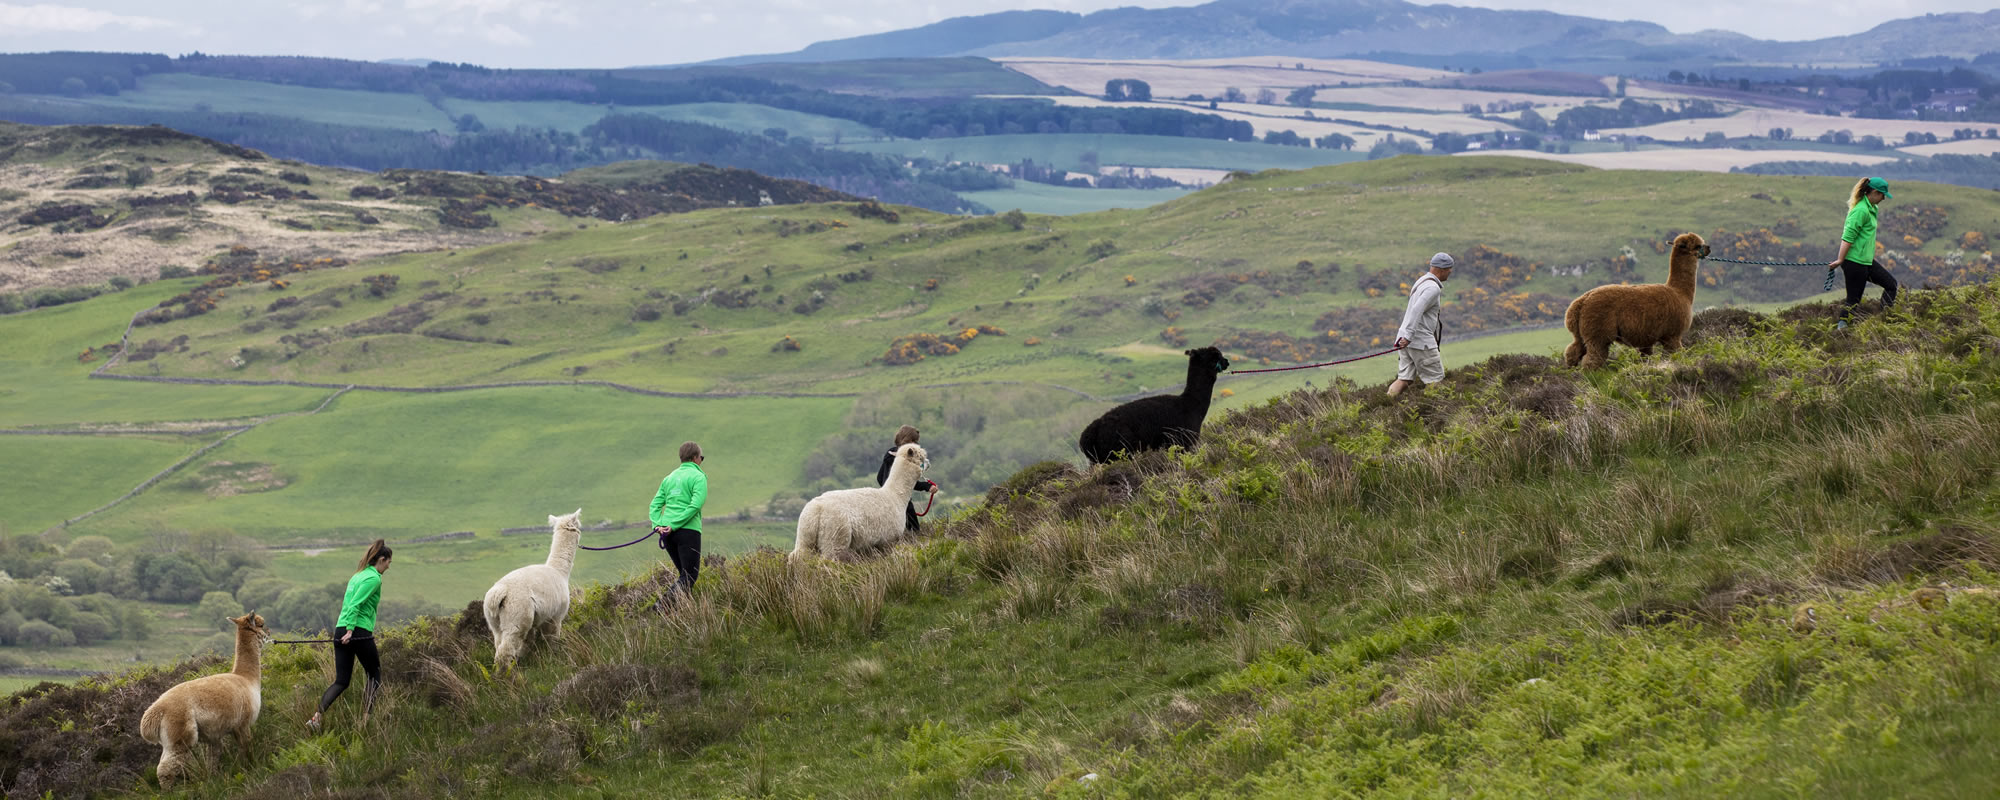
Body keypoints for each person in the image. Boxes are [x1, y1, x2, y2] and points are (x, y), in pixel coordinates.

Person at [307, 539, 391, 732]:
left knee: (341, 681)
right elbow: (355, 604)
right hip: (357, 631)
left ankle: (316, 718)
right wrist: (351, 631)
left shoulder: (357, 575)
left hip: (340, 628)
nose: (388, 566)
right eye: (388, 562)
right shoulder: (373, 578)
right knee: (374, 674)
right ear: (381, 559)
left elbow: (349, 604)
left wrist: (345, 630)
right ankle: (364, 723)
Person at [1828, 176, 1897, 330]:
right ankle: (1841, 329)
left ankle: (1884, 321)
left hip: (1865, 261)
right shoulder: (1860, 210)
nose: (1884, 198)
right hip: (1854, 262)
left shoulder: (1872, 208)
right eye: (1882, 195)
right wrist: (1840, 260)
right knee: (1853, 300)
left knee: (1891, 285)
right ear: (1873, 192)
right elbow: (1848, 237)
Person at [1388, 252, 1453, 398]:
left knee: (1404, 379)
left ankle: (1383, 403)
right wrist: (1410, 336)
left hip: (1404, 338)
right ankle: (1435, 412)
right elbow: (1417, 309)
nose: (1450, 272)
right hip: (1420, 341)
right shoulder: (1433, 288)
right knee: (1435, 380)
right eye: (1449, 269)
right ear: (1441, 270)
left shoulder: (1421, 281)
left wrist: (1406, 336)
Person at [649, 441, 708, 598]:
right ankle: (661, 607)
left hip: (667, 533)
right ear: (695, 458)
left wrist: (657, 525)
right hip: (688, 531)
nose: (701, 461)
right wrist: (675, 525)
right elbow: (695, 505)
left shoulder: (669, 478)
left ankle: (679, 614)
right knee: (689, 577)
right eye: (701, 457)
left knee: (684, 576)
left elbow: (654, 505)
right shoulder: (698, 476)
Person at [877, 425, 938, 533]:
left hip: (883, 498)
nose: (916, 444)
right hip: (900, 498)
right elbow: (907, 482)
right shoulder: (904, 459)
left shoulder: (889, 455)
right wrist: (927, 486)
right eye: (914, 441)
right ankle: (914, 543)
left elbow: (880, 477)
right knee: (914, 530)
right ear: (906, 440)